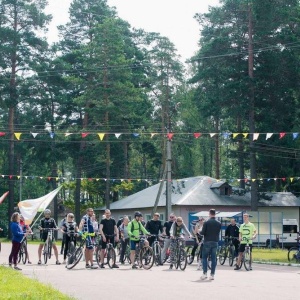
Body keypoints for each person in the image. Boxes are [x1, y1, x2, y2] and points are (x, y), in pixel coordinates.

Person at [200, 209, 221, 280]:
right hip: (215, 241)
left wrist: (199, 231)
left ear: (209, 214)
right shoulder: (219, 223)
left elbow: (202, 233)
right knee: (213, 258)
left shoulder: (206, 222)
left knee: (204, 257)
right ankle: (212, 275)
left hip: (207, 241)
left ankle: (205, 273)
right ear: (215, 214)